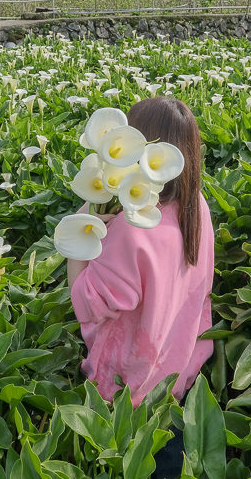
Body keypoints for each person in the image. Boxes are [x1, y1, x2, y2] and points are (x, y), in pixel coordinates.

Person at [67, 96, 215, 477]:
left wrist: (82, 231)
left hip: (126, 389)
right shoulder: (196, 206)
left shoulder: (133, 231)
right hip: (179, 373)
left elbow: (86, 301)